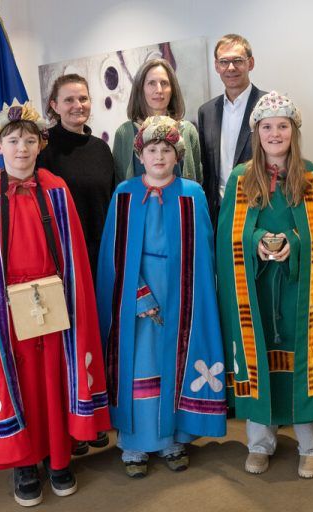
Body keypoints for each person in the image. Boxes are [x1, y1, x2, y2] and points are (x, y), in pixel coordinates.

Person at [0, 101, 110, 507]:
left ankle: (59, 457)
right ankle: (24, 462)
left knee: (55, 380)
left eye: (30, 140)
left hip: (54, 305)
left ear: (41, 144)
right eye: (13, 141)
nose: (22, 149)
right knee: (21, 384)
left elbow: (74, 255)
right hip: (8, 312)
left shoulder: (56, 189)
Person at [216, 92, 313, 479]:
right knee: (259, 356)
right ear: (256, 132)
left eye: (282, 126)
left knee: (304, 360)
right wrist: (255, 241)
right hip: (257, 288)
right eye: (267, 127)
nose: (275, 133)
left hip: (301, 288)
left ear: (293, 132)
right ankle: (260, 442)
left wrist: (293, 243)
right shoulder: (241, 177)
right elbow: (228, 234)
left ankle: (312, 444)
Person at [97, 116, 226, 478]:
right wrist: (138, 297)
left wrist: (194, 296)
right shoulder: (124, 194)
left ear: (177, 155)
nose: (158, 156)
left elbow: (204, 252)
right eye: (151, 150)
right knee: (139, 364)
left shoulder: (192, 193)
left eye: (166, 150)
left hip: (180, 293)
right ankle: (135, 443)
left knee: (175, 361)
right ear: (140, 155)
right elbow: (114, 254)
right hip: (136, 299)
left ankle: (173, 439)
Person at [38, 73, 116, 285]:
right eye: (69, 100)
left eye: (83, 98)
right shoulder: (42, 148)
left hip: (102, 254)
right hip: (64, 256)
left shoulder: (101, 148)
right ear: (54, 105)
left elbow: (111, 203)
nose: (78, 105)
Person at [198, 34, 266, 222]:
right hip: (218, 212)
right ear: (216, 66)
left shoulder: (267, 106)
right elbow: (207, 168)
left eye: (237, 60)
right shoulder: (206, 112)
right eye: (224, 62)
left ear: (250, 63)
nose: (231, 68)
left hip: (260, 209)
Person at [113, 59, 201, 184]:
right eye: (151, 83)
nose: (159, 90)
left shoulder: (188, 131)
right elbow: (119, 186)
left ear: (172, 89)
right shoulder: (124, 133)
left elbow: (198, 182)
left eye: (164, 83)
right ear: (140, 89)